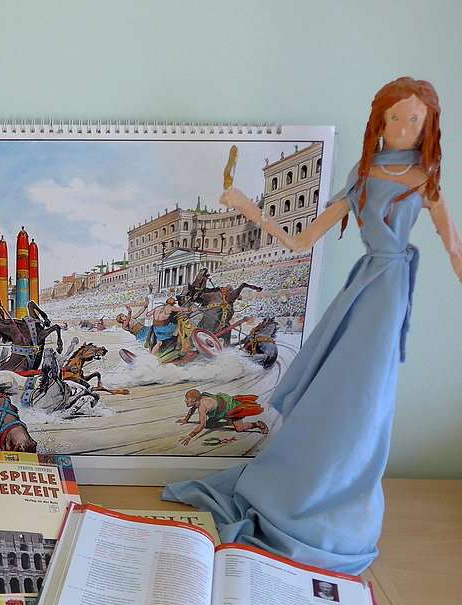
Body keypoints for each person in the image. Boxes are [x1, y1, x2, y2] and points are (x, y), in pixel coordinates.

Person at [164, 78, 462, 574]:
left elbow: (454, 247)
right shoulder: (363, 177)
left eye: (414, 119)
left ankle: (339, 493)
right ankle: (311, 484)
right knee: (337, 392)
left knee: (368, 398)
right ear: (379, 122)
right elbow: (300, 242)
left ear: (428, 124)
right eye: (395, 117)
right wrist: (249, 208)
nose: (403, 127)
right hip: (362, 290)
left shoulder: (425, 179)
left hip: (388, 293)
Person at [177, 389, 269, 445]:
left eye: (187, 399)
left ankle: (257, 424)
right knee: (209, 426)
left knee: (240, 429)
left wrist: (190, 436)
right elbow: (192, 409)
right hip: (217, 411)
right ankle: (228, 422)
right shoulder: (198, 400)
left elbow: (202, 424)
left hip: (229, 409)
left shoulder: (202, 406)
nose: (185, 401)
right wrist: (186, 420)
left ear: (194, 399)